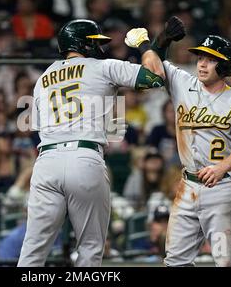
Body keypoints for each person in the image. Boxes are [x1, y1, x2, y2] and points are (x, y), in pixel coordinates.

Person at [17, 19, 167, 267]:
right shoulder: (102, 67)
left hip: (46, 161)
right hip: (84, 158)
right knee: (89, 247)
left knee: (32, 249)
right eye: (94, 41)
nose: (99, 47)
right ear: (82, 43)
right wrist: (147, 45)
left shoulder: (43, 78)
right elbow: (156, 77)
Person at [127, 16, 231, 266]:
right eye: (200, 58)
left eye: (210, 59)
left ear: (225, 66)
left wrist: (221, 168)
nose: (202, 64)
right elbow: (154, 66)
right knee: (175, 260)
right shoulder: (183, 83)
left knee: (226, 261)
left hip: (223, 187)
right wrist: (157, 41)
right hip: (187, 184)